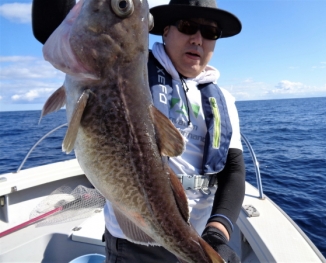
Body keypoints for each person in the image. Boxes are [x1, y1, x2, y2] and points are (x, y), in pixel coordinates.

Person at [32, 0, 246, 262]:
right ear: (164, 31)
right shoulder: (132, 69)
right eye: (188, 27)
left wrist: (217, 233)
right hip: (132, 246)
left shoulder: (222, 100)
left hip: (199, 235)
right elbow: (49, 26)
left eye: (210, 32)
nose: (198, 40)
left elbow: (233, 171)